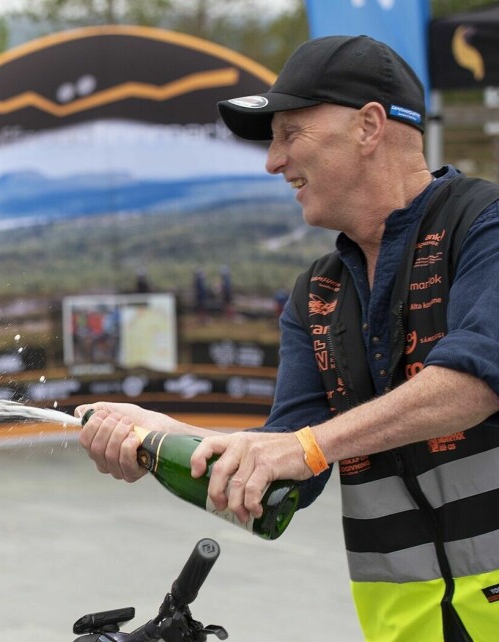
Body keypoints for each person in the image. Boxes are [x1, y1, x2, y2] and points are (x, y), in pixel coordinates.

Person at [78, 35, 499, 642]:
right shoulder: (317, 295)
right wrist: (155, 435)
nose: (273, 161)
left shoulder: (483, 224)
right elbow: (281, 474)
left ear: (369, 125)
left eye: (289, 134)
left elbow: (476, 381)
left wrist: (304, 447)